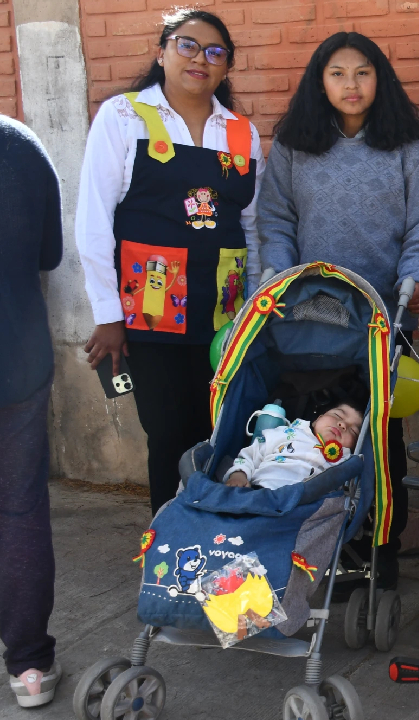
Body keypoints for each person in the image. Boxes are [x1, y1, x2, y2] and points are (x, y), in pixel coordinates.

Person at [257, 31, 419, 586]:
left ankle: (380, 550)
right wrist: (279, 280)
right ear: (320, 82)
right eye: (337, 73)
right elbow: (276, 219)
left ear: (379, 78)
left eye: (363, 72)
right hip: (307, 320)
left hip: (383, 317)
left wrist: (415, 280)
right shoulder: (295, 142)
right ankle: (311, 548)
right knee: (313, 431)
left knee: (381, 440)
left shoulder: (410, 143)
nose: (351, 85)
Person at [76, 8, 264, 515]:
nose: (200, 58)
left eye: (215, 52)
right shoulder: (123, 117)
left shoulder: (243, 134)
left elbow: (251, 228)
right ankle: (167, 546)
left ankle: (215, 543)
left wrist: (257, 308)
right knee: (168, 435)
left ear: (227, 68)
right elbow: (93, 221)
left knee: (219, 432)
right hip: (150, 311)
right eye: (187, 45)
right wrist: (108, 315)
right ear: (162, 52)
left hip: (225, 315)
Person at [0, 115, 63, 708]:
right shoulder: (18, 144)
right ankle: (29, 669)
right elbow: (51, 253)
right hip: (15, 352)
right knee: (18, 509)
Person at [223, 402, 364, 489]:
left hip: (304, 509)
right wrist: (239, 475)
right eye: (337, 415)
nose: (343, 424)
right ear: (317, 420)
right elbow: (249, 456)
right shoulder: (284, 433)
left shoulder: (346, 463)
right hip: (260, 491)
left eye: (353, 430)